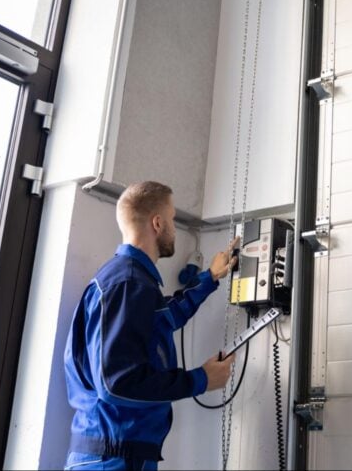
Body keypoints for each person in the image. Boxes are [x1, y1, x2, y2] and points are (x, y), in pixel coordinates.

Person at [63, 181, 238, 470]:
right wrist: (201, 380)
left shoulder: (131, 281)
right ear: (157, 223)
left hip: (122, 453)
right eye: (171, 219)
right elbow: (116, 384)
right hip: (114, 458)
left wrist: (210, 277)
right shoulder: (127, 283)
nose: (173, 228)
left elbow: (163, 319)